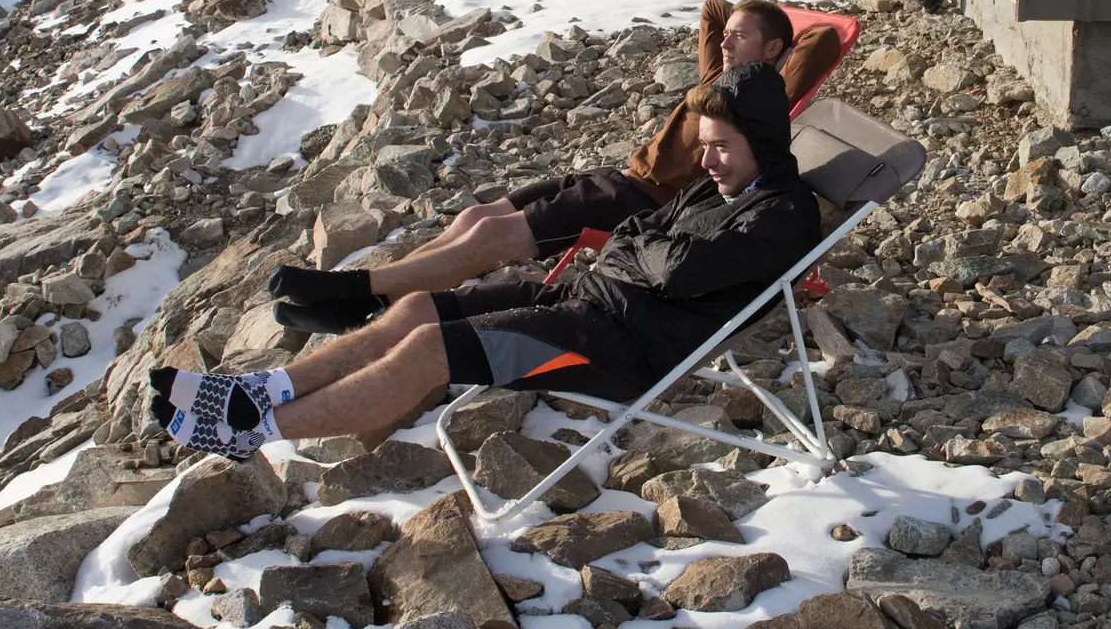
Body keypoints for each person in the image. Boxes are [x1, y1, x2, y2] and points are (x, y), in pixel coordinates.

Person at [147, 61, 820, 459]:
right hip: (588, 302)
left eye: (720, 146)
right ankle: (263, 388)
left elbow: (678, 269)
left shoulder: (783, 214)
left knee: (428, 353)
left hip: (621, 350)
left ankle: (251, 430)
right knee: (414, 309)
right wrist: (647, 248)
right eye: (703, 144)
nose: (705, 160)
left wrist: (645, 249)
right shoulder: (720, 182)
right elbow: (644, 234)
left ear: (761, 139)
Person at [267, 0, 842, 334]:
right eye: (729, 37)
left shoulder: (762, 99)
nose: (724, 44)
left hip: (641, 201)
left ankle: (355, 292)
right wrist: (741, 27)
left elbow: (820, 39)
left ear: (772, 52)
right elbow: (713, 11)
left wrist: (776, 42)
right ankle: (369, 300)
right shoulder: (719, 79)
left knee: (490, 237)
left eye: (741, 38)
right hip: (617, 176)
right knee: (474, 217)